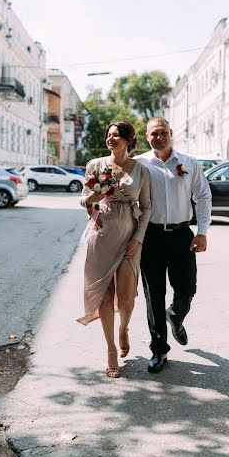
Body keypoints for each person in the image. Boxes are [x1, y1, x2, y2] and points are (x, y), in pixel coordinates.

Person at [135, 117, 212, 373]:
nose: (159, 137)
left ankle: (176, 315)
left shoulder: (188, 163)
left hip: (182, 236)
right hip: (151, 238)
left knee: (187, 288)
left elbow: (203, 196)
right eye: (154, 133)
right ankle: (159, 350)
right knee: (153, 295)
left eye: (163, 132)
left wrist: (202, 232)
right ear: (147, 137)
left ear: (171, 133)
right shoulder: (140, 164)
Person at [77, 121, 151, 378]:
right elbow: (83, 197)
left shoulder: (141, 169)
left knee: (127, 296)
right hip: (100, 236)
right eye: (108, 135)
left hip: (128, 236)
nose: (111, 139)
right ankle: (110, 350)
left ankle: (124, 328)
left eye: (116, 135)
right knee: (105, 296)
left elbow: (147, 207)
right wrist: (90, 200)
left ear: (129, 141)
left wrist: (138, 239)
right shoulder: (95, 165)